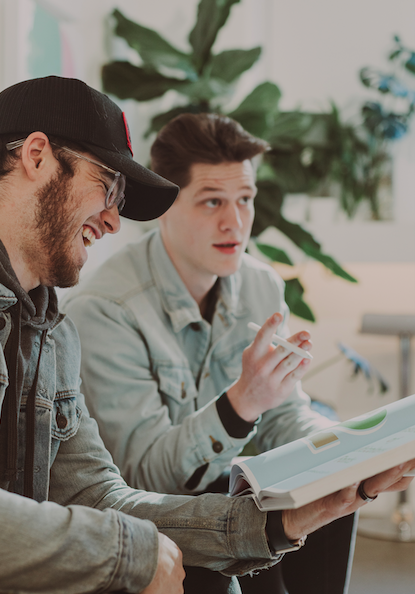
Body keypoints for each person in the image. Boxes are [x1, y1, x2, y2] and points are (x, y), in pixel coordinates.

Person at [0, 80, 412, 594]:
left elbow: (102, 498)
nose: (112, 221)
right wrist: (128, 551)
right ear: (37, 156)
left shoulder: (50, 333)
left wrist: (279, 523)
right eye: (106, 185)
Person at [62, 112, 404, 594]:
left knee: (329, 485)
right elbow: (144, 473)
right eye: (212, 202)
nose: (235, 221)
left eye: (245, 199)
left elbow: (286, 417)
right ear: (164, 204)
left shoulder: (261, 284)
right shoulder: (106, 310)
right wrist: (241, 403)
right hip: (152, 516)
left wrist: (347, 451)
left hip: (233, 496)